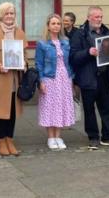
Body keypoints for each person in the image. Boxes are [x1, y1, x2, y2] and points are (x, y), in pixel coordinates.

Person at [69, 6, 109, 149]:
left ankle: (107, 136)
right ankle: (93, 137)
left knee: (107, 107)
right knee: (89, 109)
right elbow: (73, 57)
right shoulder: (80, 34)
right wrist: (88, 52)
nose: (99, 19)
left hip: (105, 76)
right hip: (88, 77)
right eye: (96, 17)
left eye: (101, 17)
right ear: (88, 18)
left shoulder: (107, 32)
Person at [0, 2, 27, 156]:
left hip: (15, 79)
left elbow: (24, 55)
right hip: (0, 78)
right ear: (0, 15)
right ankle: (1, 141)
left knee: (12, 112)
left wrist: (24, 64)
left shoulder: (19, 32)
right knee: (2, 112)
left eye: (12, 13)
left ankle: (10, 139)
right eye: (7, 13)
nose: (10, 16)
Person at [35, 13, 75, 150]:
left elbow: (69, 61)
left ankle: (58, 136)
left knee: (61, 107)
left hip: (64, 77)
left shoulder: (65, 41)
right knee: (50, 107)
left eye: (58, 23)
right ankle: (50, 137)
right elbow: (38, 64)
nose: (56, 26)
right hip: (49, 78)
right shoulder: (42, 43)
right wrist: (41, 81)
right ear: (48, 26)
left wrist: (71, 78)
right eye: (53, 23)